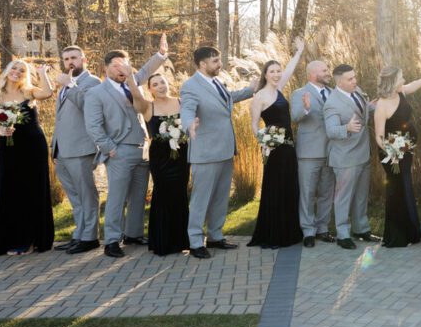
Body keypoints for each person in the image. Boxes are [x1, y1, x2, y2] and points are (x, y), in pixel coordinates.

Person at [84, 48, 166, 259]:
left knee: (139, 196)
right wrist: (110, 149)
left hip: (142, 149)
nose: (121, 69)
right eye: (116, 65)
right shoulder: (96, 93)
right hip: (119, 151)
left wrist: (161, 54)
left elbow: (147, 70)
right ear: (106, 68)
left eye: (124, 65)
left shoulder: (133, 82)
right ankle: (112, 240)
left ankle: (133, 234)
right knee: (117, 198)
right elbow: (93, 126)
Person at [179, 45, 258, 258]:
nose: (219, 64)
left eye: (219, 59)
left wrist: (250, 90)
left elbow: (228, 98)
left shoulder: (216, 82)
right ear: (202, 64)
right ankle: (196, 242)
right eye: (215, 61)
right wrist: (189, 124)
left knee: (220, 197)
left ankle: (215, 236)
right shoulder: (190, 87)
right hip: (205, 153)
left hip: (224, 150)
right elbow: (186, 109)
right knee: (201, 199)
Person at [0, 60, 56, 256]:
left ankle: (35, 239)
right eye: (14, 69)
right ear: (7, 72)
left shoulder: (29, 92)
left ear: (25, 75)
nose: (17, 72)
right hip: (9, 148)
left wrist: (42, 73)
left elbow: (48, 93)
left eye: (22, 70)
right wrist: (1, 131)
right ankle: (13, 239)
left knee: (34, 189)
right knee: (11, 190)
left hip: (33, 146)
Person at [124, 70, 190, 256]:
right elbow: (135, 94)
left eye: (163, 82)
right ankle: (162, 242)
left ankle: (182, 241)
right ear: (150, 90)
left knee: (180, 194)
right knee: (162, 194)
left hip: (181, 154)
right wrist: (130, 76)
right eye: (155, 84)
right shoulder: (147, 107)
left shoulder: (181, 102)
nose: (161, 86)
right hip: (160, 158)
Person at [248, 39, 306, 249]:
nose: (276, 74)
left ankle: (289, 233)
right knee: (275, 189)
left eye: (278, 71)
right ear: (265, 74)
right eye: (272, 71)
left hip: (288, 147)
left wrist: (298, 52)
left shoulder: (279, 89)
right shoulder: (259, 97)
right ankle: (273, 235)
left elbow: (289, 70)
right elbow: (254, 125)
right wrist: (264, 142)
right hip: (273, 150)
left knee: (289, 188)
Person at [373, 66, 421, 248]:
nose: (404, 80)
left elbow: (414, 84)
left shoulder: (402, 93)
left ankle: (410, 233)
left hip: (405, 151)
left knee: (405, 187)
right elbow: (379, 136)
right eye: (401, 77)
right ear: (393, 82)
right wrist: (393, 153)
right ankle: (397, 236)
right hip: (391, 154)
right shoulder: (381, 105)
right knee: (396, 190)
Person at [51, 45, 102, 254]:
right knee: (74, 197)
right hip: (62, 150)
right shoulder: (64, 85)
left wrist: (70, 85)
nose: (70, 62)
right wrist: (54, 146)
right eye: (66, 59)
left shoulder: (93, 82)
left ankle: (90, 237)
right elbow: (61, 118)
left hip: (81, 148)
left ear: (84, 60)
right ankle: (79, 234)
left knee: (86, 194)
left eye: (74, 58)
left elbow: (85, 105)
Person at [323, 64, 379, 249]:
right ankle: (342, 234)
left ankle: (361, 228)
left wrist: (373, 107)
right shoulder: (332, 103)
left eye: (355, 77)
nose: (355, 81)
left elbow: (363, 113)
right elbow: (331, 131)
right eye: (350, 79)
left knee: (361, 196)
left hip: (363, 153)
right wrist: (346, 128)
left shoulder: (358, 91)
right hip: (345, 158)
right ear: (339, 82)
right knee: (343, 197)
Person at [291, 60, 337, 247]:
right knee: (308, 193)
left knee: (327, 192)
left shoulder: (334, 94)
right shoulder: (299, 94)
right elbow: (295, 117)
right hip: (309, 153)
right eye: (324, 70)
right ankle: (308, 231)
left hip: (332, 152)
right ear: (312, 75)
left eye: (328, 69)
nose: (328, 72)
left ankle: (323, 228)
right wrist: (306, 108)